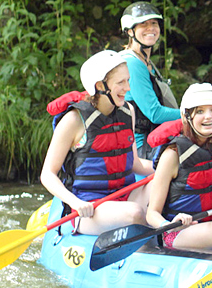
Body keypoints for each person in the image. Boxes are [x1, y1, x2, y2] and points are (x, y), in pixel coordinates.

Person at [40, 50, 154, 235]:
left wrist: (169, 170)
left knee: (164, 186)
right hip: (91, 208)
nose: (128, 88)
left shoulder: (128, 111)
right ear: (100, 85)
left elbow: (135, 164)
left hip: (126, 195)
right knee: (134, 213)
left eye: (128, 81)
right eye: (120, 83)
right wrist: (76, 203)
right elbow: (47, 175)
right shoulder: (74, 120)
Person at [145, 83, 212, 253]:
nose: (208, 117)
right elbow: (152, 213)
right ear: (186, 117)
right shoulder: (172, 155)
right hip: (179, 231)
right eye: (200, 111)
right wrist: (167, 224)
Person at [119, 1, 180, 159]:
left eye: (154, 23)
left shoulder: (145, 61)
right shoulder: (132, 63)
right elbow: (154, 113)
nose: (151, 28)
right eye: (143, 25)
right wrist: (192, 113)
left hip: (153, 138)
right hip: (141, 146)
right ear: (131, 31)